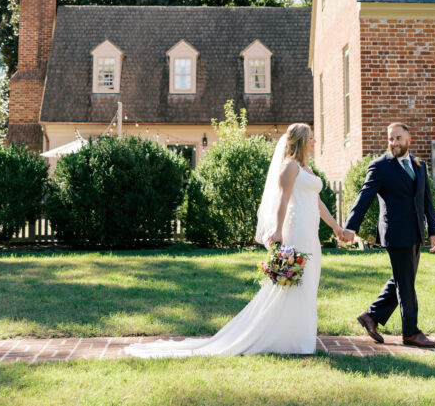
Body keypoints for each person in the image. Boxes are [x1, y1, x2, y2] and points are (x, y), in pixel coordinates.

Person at [124, 123, 347, 357]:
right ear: (301, 141)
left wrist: (336, 227)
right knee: (291, 283)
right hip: (296, 229)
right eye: (310, 138)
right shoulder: (289, 167)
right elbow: (282, 200)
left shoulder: (306, 168)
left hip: (310, 232)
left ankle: (299, 336)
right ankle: (286, 338)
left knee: (309, 282)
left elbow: (317, 202)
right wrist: (278, 231)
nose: (314, 141)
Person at [339, 122, 435, 348]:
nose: (393, 143)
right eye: (390, 139)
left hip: (416, 232)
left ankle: (371, 316)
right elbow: (364, 197)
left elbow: (426, 201)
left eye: (398, 138)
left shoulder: (419, 164)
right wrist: (350, 228)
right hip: (395, 232)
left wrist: (433, 231)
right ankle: (411, 332)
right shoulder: (380, 166)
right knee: (406, 283)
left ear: (408, 140)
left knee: (403, 279)